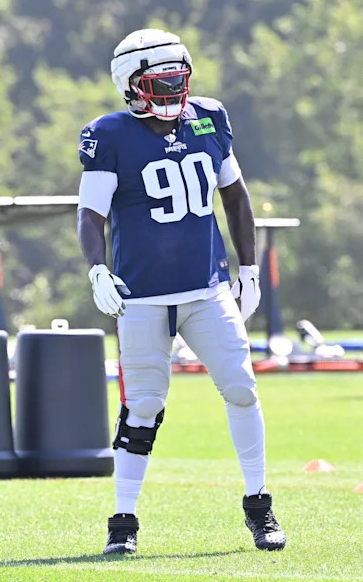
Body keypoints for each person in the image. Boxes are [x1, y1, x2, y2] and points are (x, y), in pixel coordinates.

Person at [77, 28, 286, 554]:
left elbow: (236, 198)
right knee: (143, 405)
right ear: (131, 84)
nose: (172, 92)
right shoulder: (109, 134)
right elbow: (90, 214)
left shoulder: (209, 118)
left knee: (241, 388)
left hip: (204, 288)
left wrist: (250, 269)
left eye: (178, 80)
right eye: (159, 82)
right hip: (141, 294)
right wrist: (97, 270)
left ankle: (260, 506)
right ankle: (122, 522)